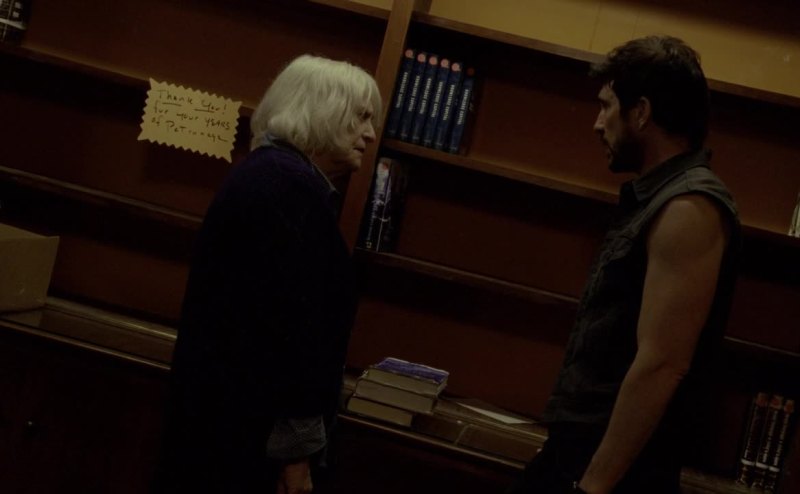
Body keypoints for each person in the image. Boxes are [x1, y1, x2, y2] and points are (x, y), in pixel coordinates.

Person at [507, 36, 740, 494]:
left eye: (606, 105)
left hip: (617, 471)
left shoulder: (687, 207)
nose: (597, 123)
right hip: (580, 452)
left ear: (641, 112)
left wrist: (594, 485)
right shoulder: (660, 199)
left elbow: (662, 363)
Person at [152, 54, 380, 494]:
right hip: (242, 440)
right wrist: (296, 454)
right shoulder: (288, 189)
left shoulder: (268, 175)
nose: (370, 134)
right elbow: (293, 333)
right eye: (361, 117)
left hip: (218, 425)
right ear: (320, 111)